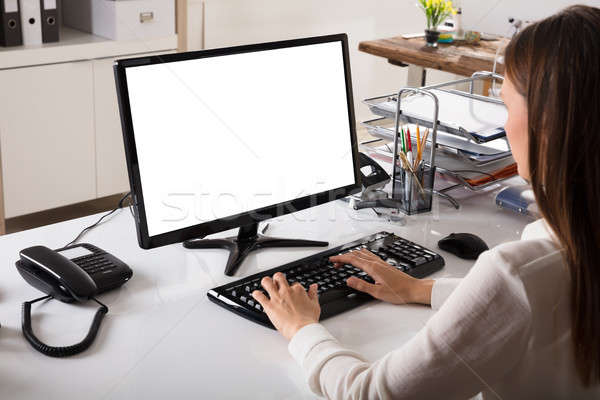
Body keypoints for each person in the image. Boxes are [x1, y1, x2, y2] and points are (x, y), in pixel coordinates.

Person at [250, 5, 600, 399]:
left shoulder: (517, 273)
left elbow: (372, 394)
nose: (503, 124)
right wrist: (422, 289)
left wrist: (300, 328)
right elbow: (522, 309)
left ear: (548, 123)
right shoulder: (567, 246)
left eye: (506, 104)